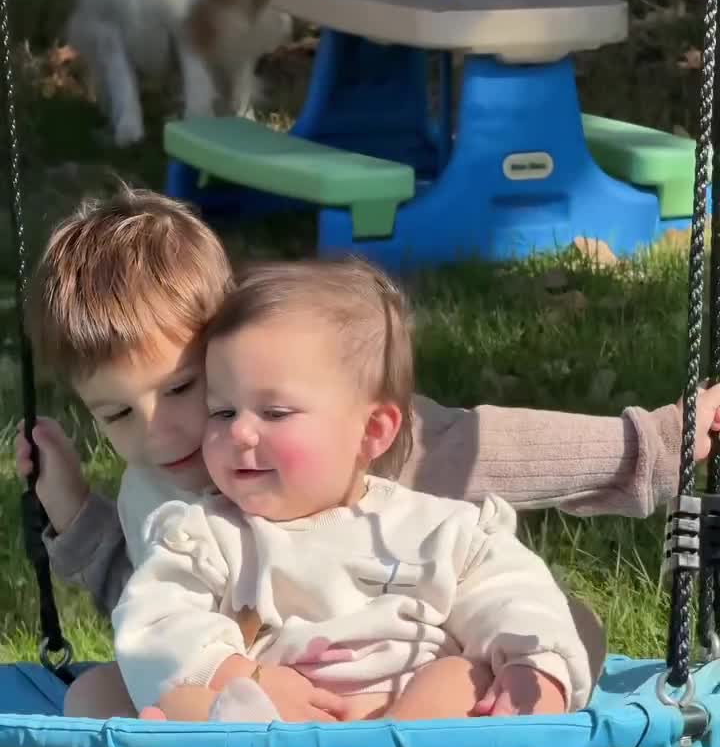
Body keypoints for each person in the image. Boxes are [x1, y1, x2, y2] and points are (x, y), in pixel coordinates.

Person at [15, 186, 720, 718]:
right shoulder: (158, 491)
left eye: (183, 390)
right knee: (96, 693)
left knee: (564, 628)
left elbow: (496, 451)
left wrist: (657, 445)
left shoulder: (344, 436)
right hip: (260, 698)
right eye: (115, 414)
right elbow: (145, 605)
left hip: (397, 670)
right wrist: (71, 511)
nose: (156, 432)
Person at [112, 257, 594, 725]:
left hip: (406, 709)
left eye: (274, 413)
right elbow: (157, 621)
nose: (238, 432)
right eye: (222, 412)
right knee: (174, 696)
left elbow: (513, 592)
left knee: (461, 677)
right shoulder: (208, 536)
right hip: (276, 716)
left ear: (372, 432)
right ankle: (243, 738)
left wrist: (535, 667)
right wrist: (242, 675)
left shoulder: (439, 530)